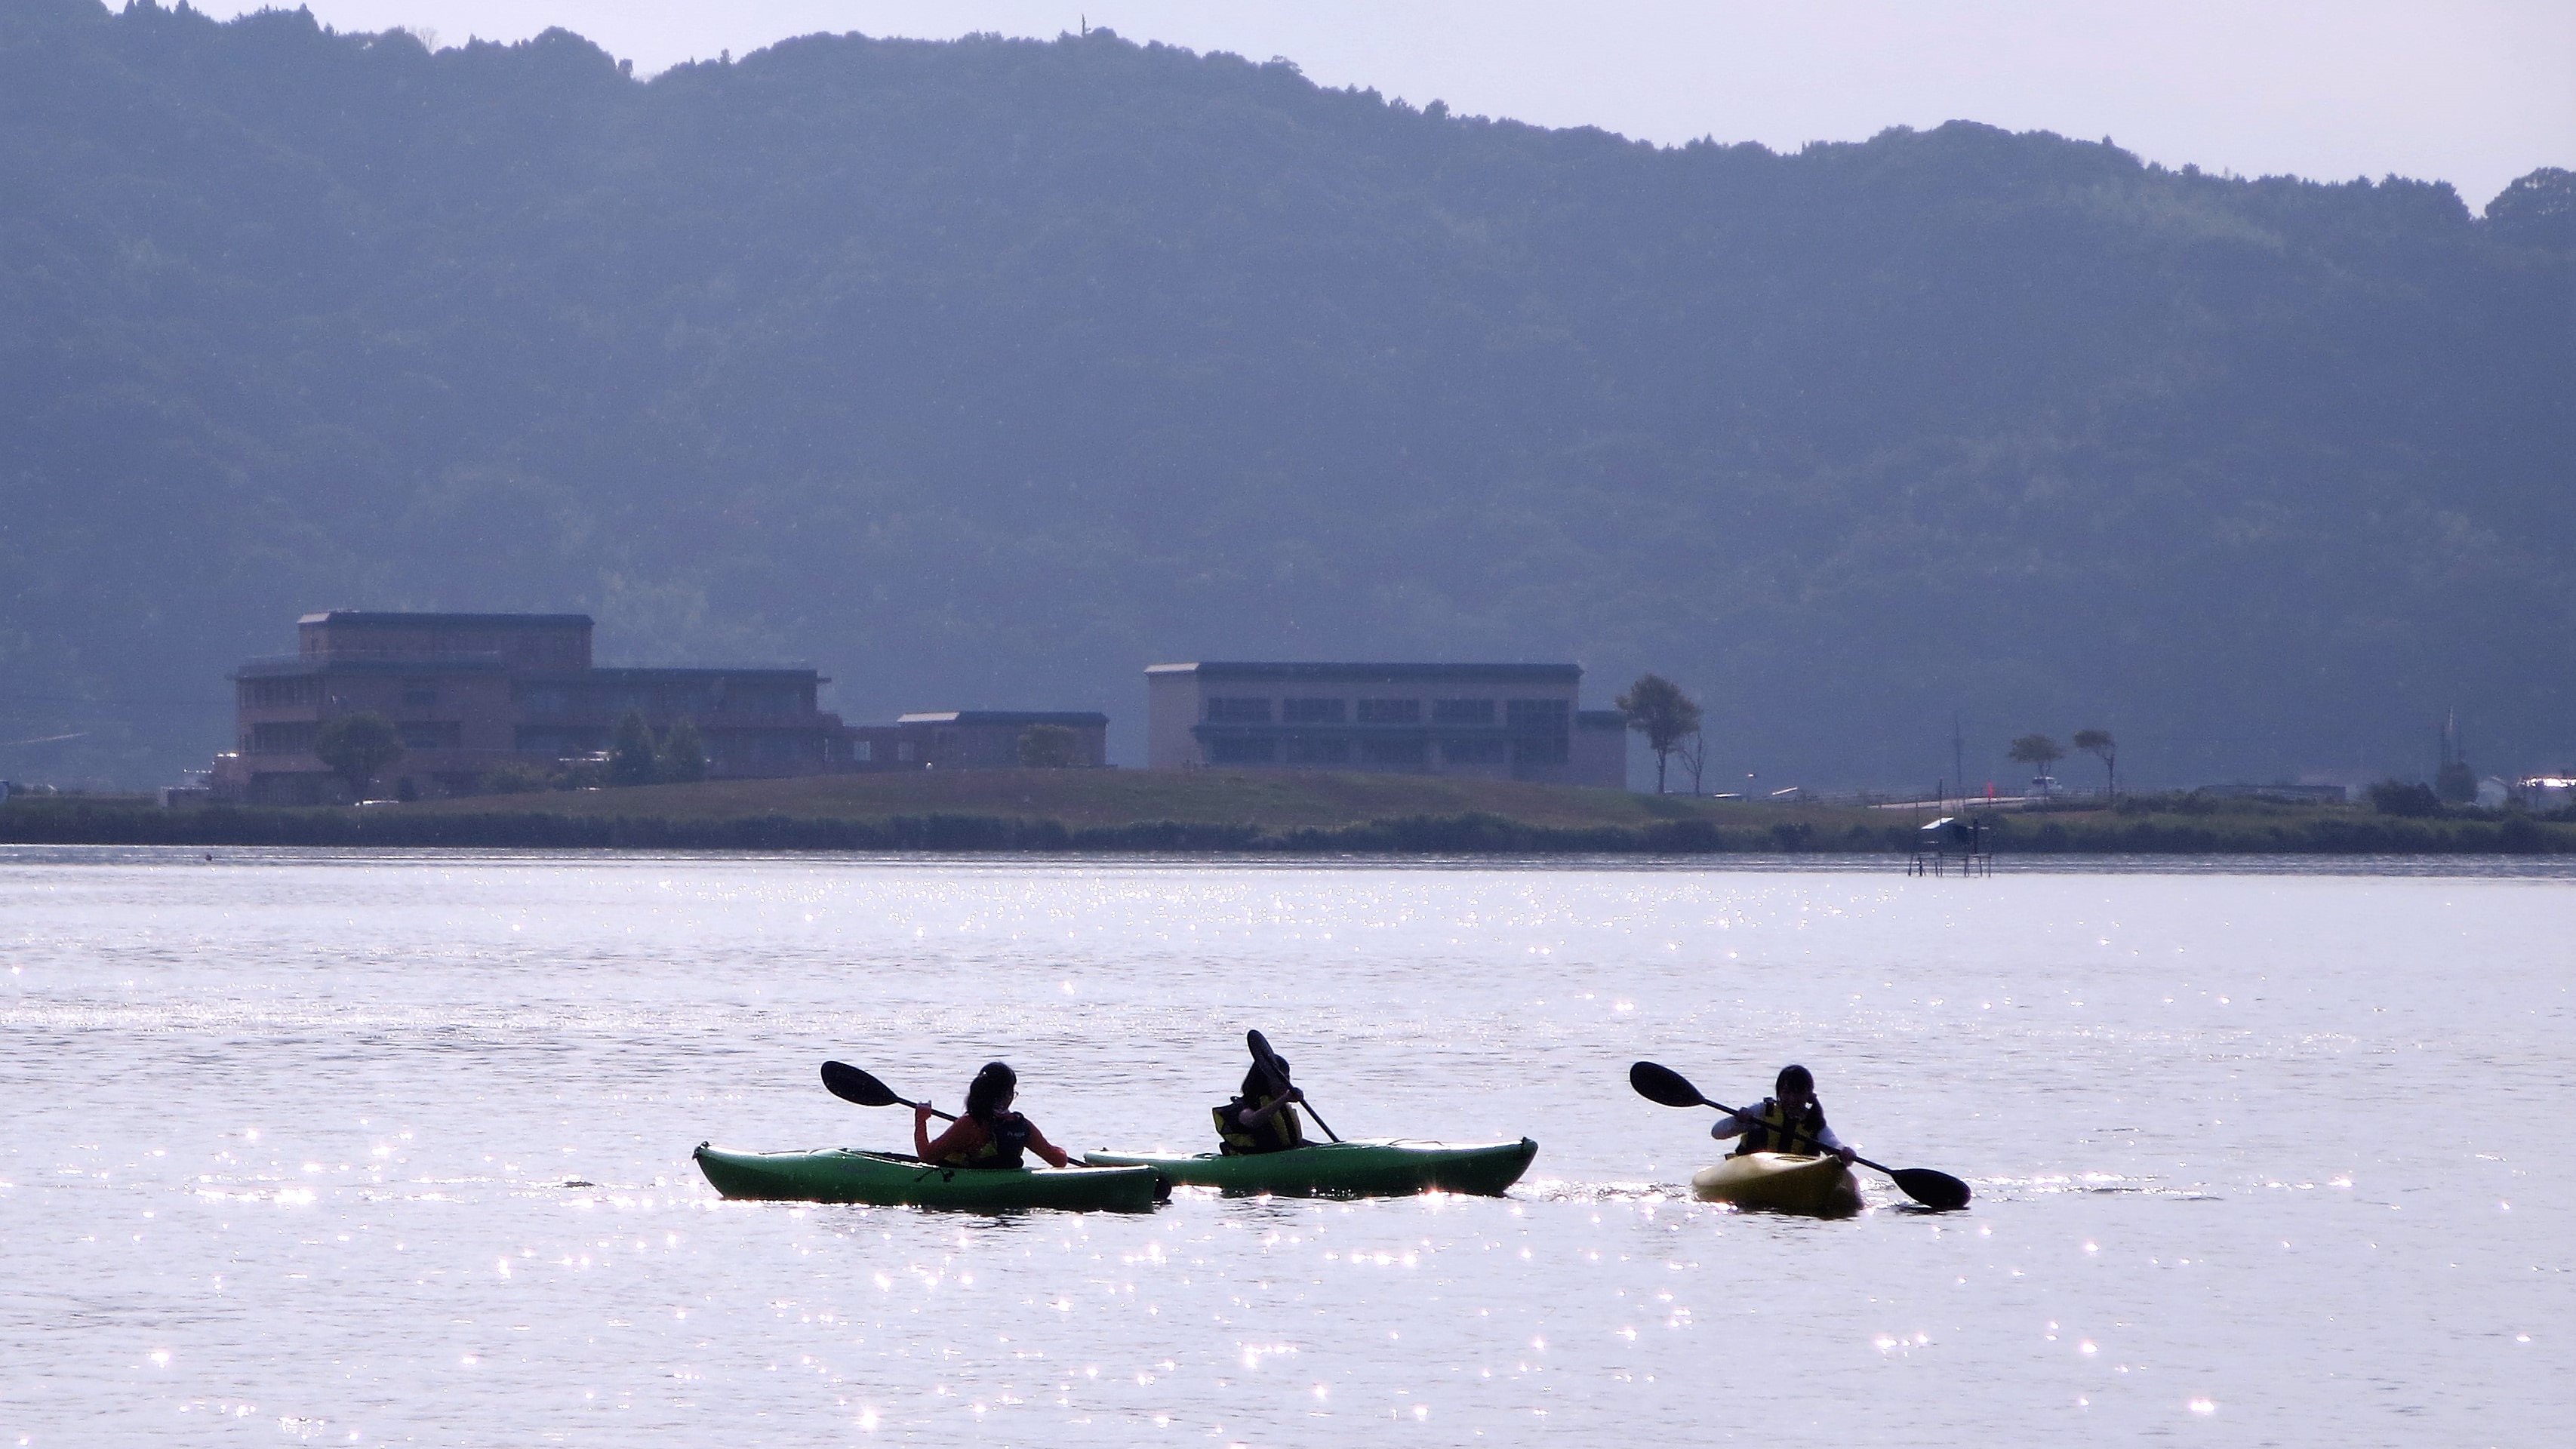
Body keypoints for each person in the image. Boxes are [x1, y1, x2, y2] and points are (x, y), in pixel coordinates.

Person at [913, 1060, 1073, 1169]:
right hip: (1007, 1182)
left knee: (889, 1157)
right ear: (1008, 1095)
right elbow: (1059, 1161)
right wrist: (1061, 1150)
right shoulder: (1022, 1125)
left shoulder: (969, 1124)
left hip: (965, 1182)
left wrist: (921, 1120)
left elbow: (926, 1157)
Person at [1711, 1063, 1854, 1164]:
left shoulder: (1814, 1122)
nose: (1792, 1099)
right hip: (1752, 1168)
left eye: (1799, 1093)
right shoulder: (1762, 1112)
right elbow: (1717, 1133)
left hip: (1796, 1175)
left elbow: (1832, 1143)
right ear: (1779, 1093)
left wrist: (1844, 1152)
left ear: (1809, 1095)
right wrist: (1739, 1121)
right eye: (1787, 1093)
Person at [1212, 1057, 1307, 1155]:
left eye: (1287, 1078)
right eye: (1280, 1079)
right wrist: (1284, 1099)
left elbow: (1297, 1143)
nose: (1285, 1084)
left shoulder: (1281, 1107)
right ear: (1263, 1080)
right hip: (1249, 1160)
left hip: (1282, 1156)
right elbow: (1252, 1120)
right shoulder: (1242, 1106)